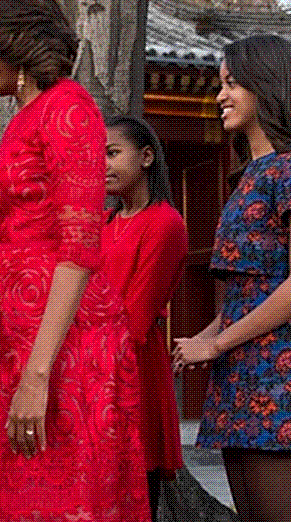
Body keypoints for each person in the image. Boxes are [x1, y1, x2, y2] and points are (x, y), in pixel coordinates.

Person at [0, 0, 149, 519]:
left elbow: (78, 249)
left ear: (16, 40)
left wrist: (37, 373)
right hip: (13, 347)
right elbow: (19, 254)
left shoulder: (69, 107)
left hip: (64, 353)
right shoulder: (23, 118)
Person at [173, 34, 291, 522]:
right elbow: (246, 290)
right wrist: (203, 339)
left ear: (265, 87)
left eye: (232, 84)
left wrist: (217, 344)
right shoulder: (248, 175)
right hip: (240, 368)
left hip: (280, 370)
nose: (220, 95)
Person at [101, 116, 187, 521]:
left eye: (112, 153)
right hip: (93, 368)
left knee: (135, 496)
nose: (102, 165)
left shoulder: (165, 223)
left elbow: (135, 317)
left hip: (134, 369)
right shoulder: (102, 224)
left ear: (146, 157)